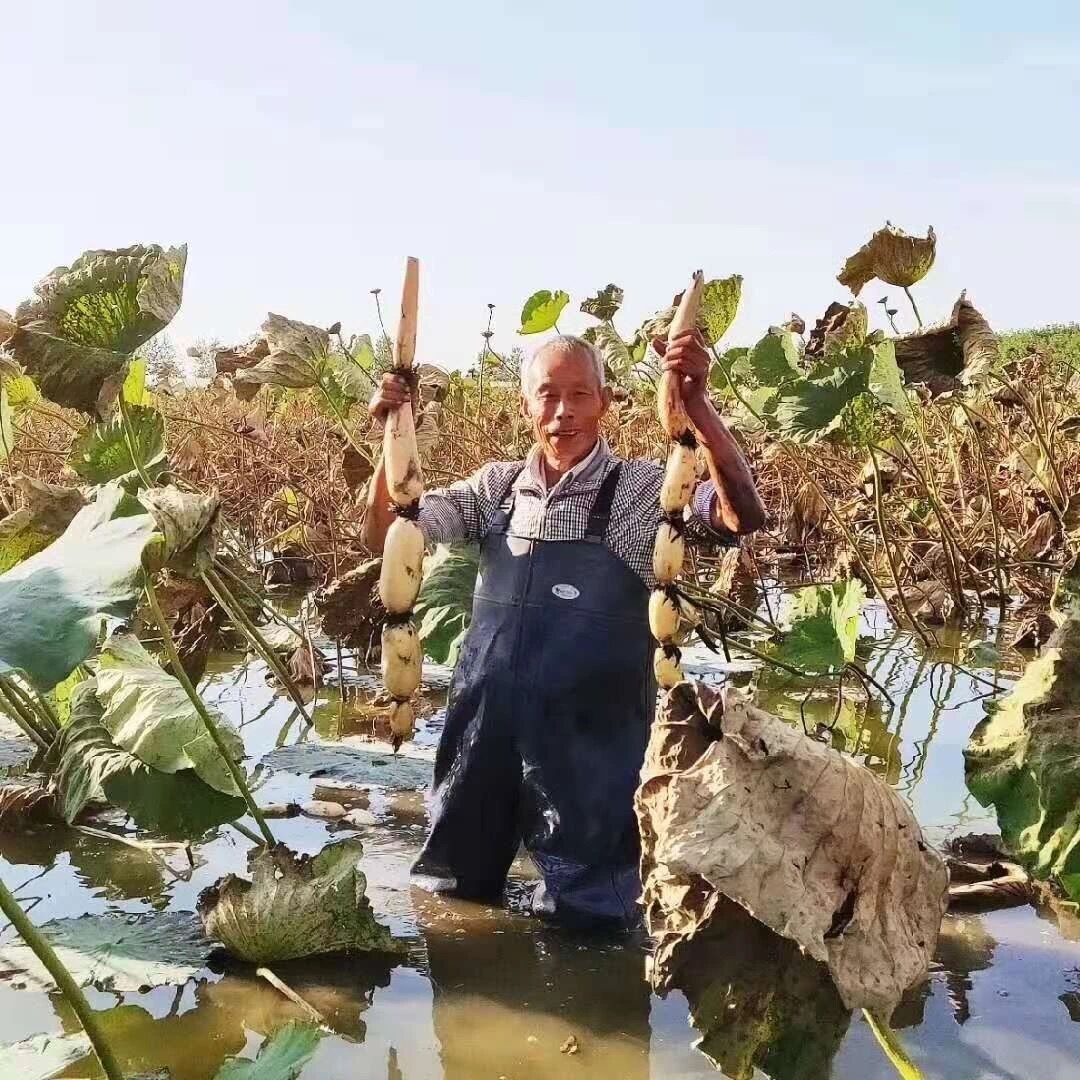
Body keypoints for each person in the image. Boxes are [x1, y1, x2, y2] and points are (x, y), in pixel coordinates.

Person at [364, 330, 764, 927]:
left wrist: (698, 406)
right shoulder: (495, 490)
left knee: (592, 920)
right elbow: (388, 536)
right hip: (482, 738)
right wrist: (393, 435)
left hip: (593, 751)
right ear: (525, 405)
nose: (563, 411)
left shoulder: (638, 493)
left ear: (605, 402)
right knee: (452, 901)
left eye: (580, 394)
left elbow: (739, 517)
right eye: (548, 395)